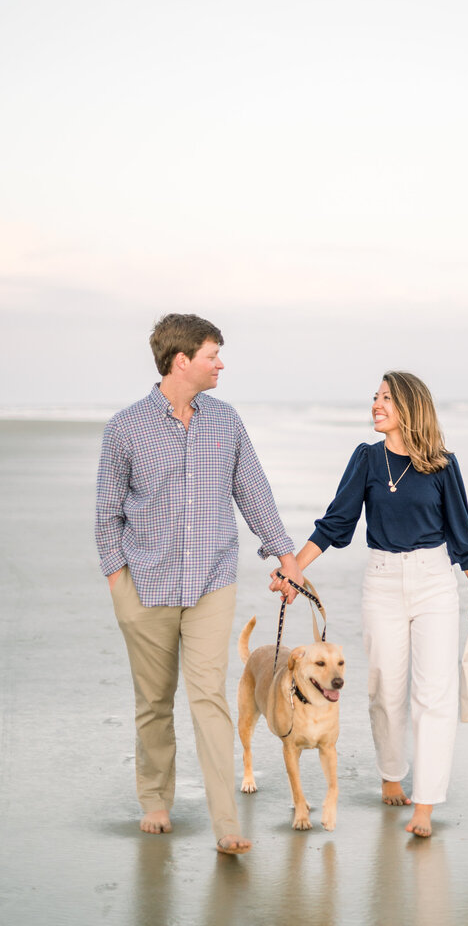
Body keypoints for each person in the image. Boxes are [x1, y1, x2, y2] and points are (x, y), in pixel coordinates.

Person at [96, 313, 301, 855]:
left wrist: (286, 557)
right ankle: (155, 800)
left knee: (209, 698)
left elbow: (254, 491)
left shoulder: (226, 422)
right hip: (143, 587)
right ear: (181, 360)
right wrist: (118, 580)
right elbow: (106, 515)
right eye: (213, 354)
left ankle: (226, 825)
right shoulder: (125, 427)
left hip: (212, 583)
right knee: (154, 701)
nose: (221, 364)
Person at [271, 371, 468, 838]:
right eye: (375, 397)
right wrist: (295, 570)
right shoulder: (368, 459)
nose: (376, 404)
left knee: (434, 694)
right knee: (383, 688)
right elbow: (336, 523)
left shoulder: (443, 464)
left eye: (387, 398)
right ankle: (391, 772)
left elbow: (461, 531)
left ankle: (426, 804)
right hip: (382, 579)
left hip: (435, 580)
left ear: (410, 407)